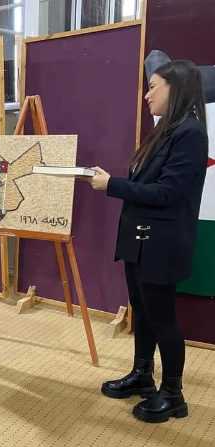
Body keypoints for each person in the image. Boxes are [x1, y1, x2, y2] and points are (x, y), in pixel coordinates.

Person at [84, 60, 208, 423]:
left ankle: (173, 393)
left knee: (162, 317)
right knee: (143, 311)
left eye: (154, 86)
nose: (147, 94)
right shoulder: (166, 130)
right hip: (139, 239)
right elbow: (147, 183)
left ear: (176, 87)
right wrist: (114, 181)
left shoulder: (190, 133)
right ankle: (142, 374)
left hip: (161, 243)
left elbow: (167, 193)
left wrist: (112, 185)